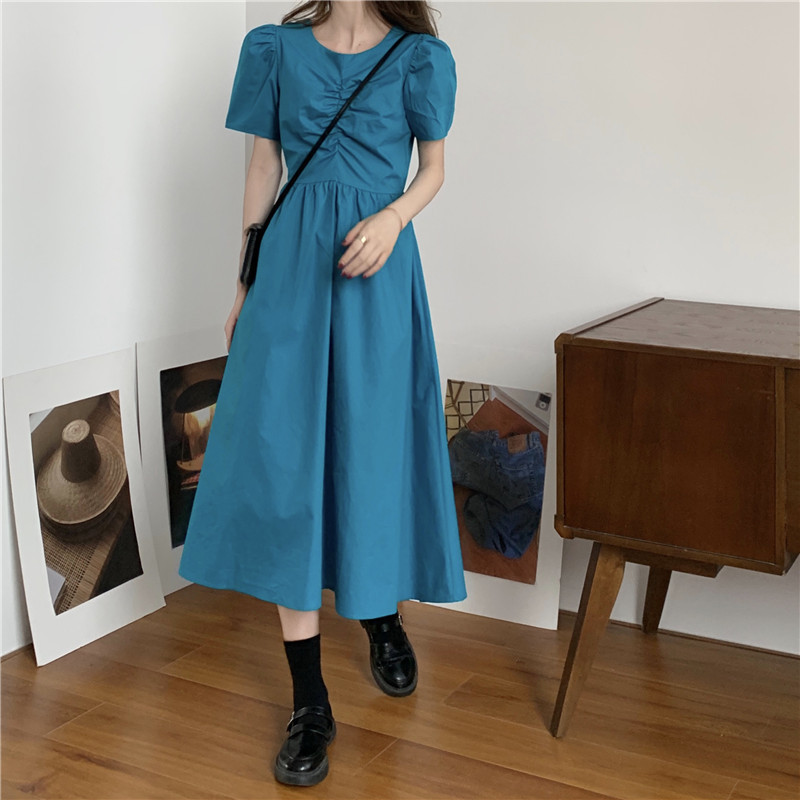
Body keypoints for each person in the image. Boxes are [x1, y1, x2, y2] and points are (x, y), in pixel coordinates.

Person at [178, 0, 467, 787]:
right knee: (287, 469)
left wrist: (394, 220)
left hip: (375, 274)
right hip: (291, 275)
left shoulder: (419, 58)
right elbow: (263, 166)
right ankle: (310, 701)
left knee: (366, 456)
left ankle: (379, 614)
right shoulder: (272, 49)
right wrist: (245, 281)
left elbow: (434, 169)